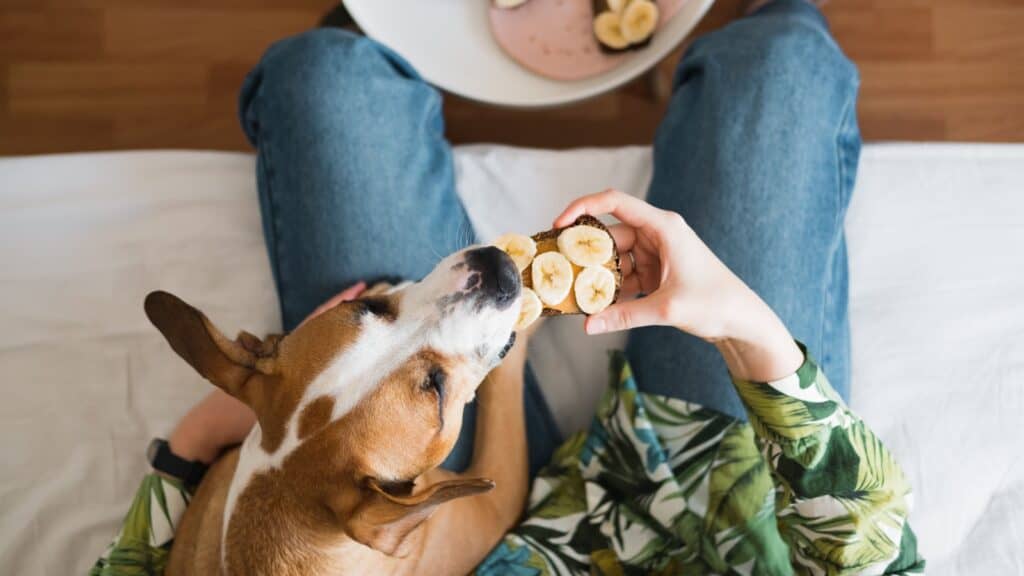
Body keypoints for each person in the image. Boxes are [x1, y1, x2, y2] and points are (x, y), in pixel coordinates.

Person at [92, 0, 924, 573]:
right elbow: (873, 553)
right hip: (716, 479)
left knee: (323, 77)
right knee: (776, 68)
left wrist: (214, 431)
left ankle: (385, 34)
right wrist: (749, 331)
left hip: (447, 512)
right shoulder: (386, 514)